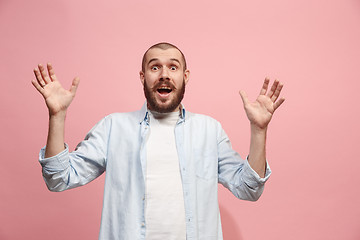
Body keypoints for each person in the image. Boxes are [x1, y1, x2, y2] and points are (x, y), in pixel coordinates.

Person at [32, 42, 285, 240]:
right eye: (155, 67)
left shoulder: (210, 130)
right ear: (143, 77)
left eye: (173, 67)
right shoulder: (113, 127)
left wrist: (259, 130)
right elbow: (59, 178)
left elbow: (249, 188)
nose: (164, 74)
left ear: (185, 76)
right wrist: (57, 115)